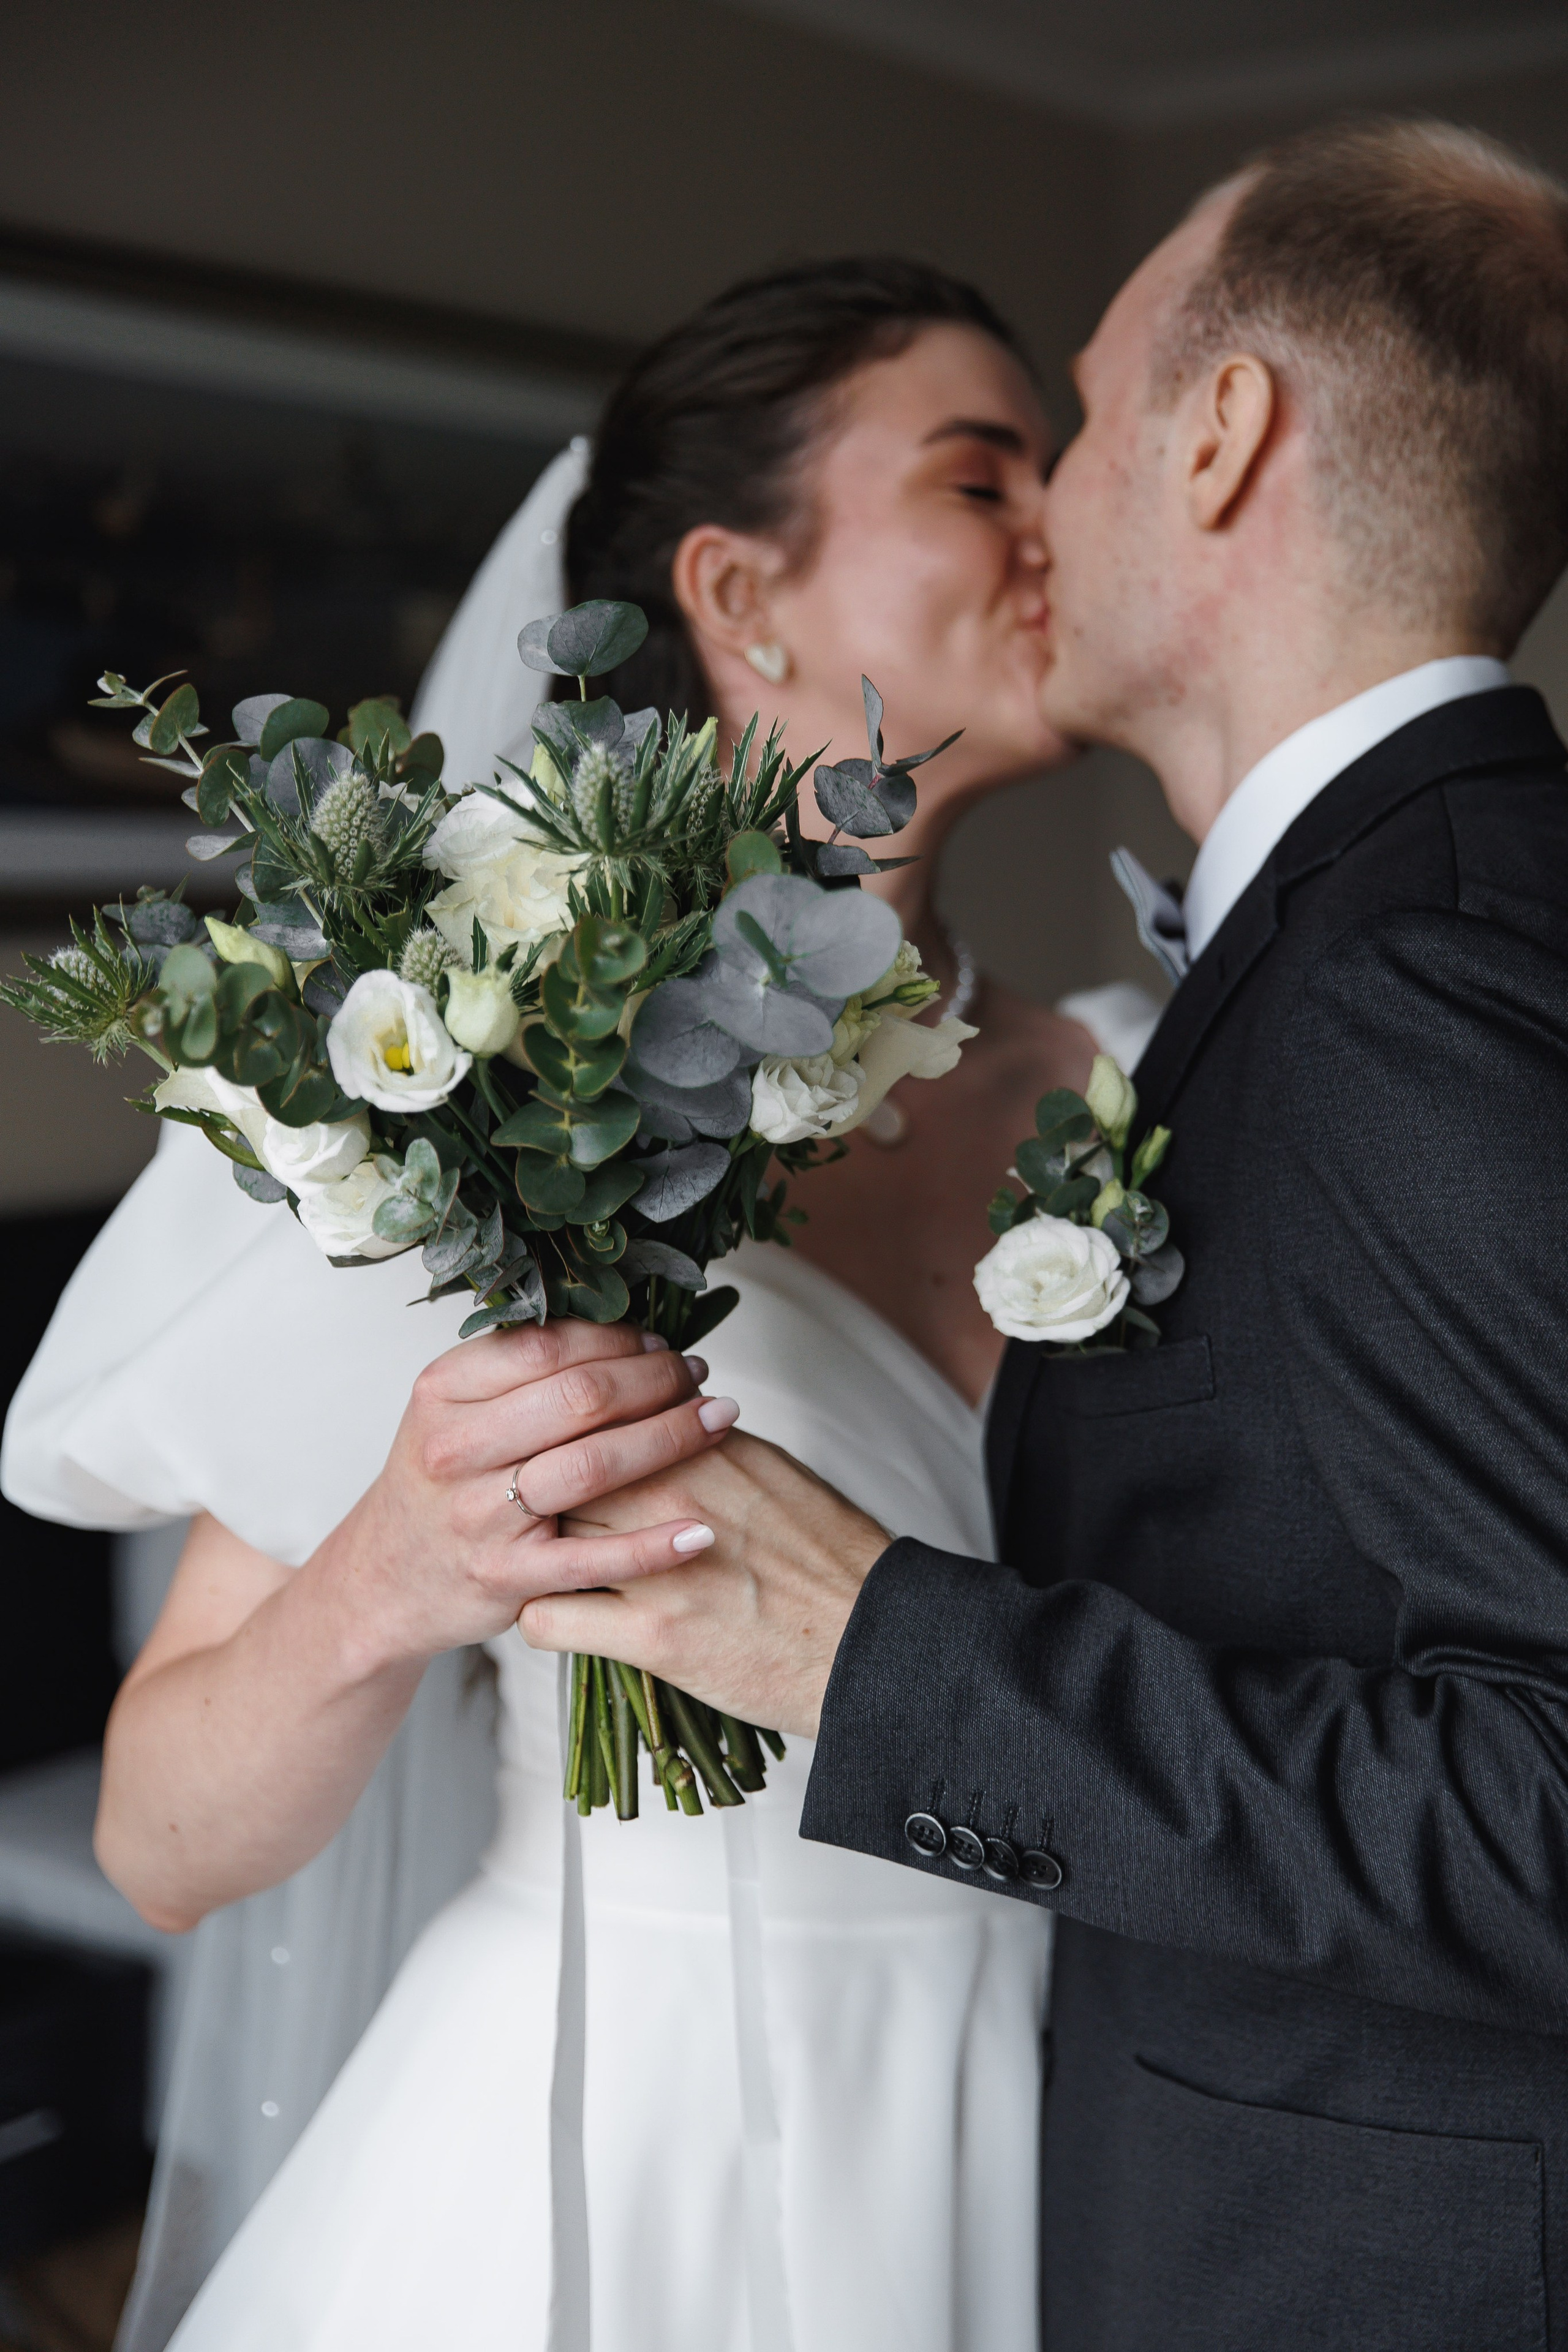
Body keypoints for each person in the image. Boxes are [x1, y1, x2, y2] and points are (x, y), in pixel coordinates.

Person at [4, 258, 1155, 2351]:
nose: (1060, 529)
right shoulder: (478, 1068)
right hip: (620, 2155)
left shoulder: (1134, 1075)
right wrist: (394, 1573)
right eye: (984, 475)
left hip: (1073, 2142)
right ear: (744, 590)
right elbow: (159, 1839)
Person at [511, 122, 1568, 2350]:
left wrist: (868, 1644)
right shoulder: (1374, 937)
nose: (1041, 519)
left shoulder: (1403, 982)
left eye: (1073, 424)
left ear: (1217, 436)